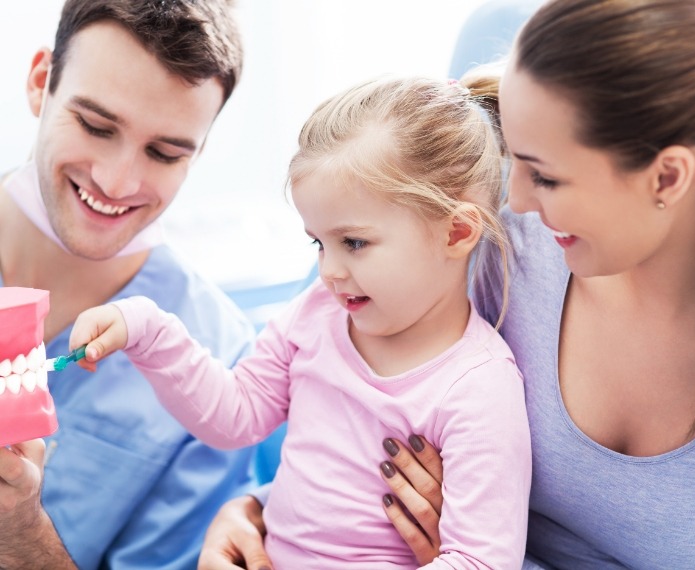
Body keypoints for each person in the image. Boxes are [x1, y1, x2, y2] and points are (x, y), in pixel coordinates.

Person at [204, 1, 695, 569]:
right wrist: (256, 512)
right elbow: (342, 403)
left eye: (546, 175)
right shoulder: (495, 242)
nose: (516, 202)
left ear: (667, 176)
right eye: (516, 160)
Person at [70, 76, 532, 569]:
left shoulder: (478, 389)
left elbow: (479, 561)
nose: (328, 270)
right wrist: (146, 328)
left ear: (457, 232)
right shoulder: (318, 313)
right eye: (319, 242)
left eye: (354, 242)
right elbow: (236, 414)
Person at [0, 1, 258, 568]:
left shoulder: (221, 370)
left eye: (165, 153)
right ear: (42, 83)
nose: (117, 181)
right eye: (95, 126)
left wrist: (18, 532)